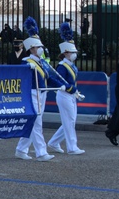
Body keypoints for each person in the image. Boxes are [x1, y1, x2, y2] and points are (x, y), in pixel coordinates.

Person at [15, 21, 68, 161]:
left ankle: (21, 149)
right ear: (32, 48)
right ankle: (41, 152)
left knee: (33, 123)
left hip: (42, 93)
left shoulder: (42, 62)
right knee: (37, 123)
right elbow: (22, 78)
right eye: (38, 47)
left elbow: (48, 78)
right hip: (32, 94)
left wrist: (61, 86)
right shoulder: (26, 62)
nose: (41, 49)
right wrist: (27, 69)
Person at [47, 23, 86, 155]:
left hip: (71, 94)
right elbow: (58, 80)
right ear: (66, 53)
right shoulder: (62, 66)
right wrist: (67, 87)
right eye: (72, 52)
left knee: (70, 121)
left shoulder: (72, 65)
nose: (75, 53)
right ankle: (72, 147)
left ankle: (53, 142)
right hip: (64, 95)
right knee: (69, 121)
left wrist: (74, 90)